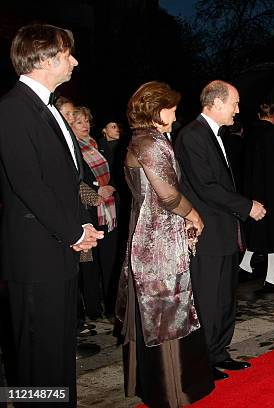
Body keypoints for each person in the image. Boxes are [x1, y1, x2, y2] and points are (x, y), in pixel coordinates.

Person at [0, 23, 103, 406]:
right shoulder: (12, 110)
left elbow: (64, 181)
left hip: (58, 249)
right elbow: (29, 185)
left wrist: (82, 226)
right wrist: (74, 232)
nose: (74, 61)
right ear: (43, 58)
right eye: (66, 54)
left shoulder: (49, 109)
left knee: (58, 355)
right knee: (36, 360)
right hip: (34, 256)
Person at [115, 81, 214, 407]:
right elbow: (169, 196)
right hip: (157, 238)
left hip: (147, 233)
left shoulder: (141, 140)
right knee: (167, 310)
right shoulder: (151, 143)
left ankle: (153, 384)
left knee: (160, 309)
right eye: (171, 107)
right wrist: (194, 214)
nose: (175, 112)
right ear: (158, 110)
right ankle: (173, 388)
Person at [175, 80, 266, 381]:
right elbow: (205, 186)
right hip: (207, 230)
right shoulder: (192, 136)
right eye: (235, 103)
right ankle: (202, 360)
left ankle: (218, 352)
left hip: (224, 230)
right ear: (215, 103)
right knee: (207, 299)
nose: (238, 110)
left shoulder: (215, 135)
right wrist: (246, 206)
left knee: (225, 297)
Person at [71, 106, 119, 321]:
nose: (85, 125)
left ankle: (111, 306)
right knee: (88, 262)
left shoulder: (96, 145)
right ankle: (92, 308)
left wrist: (111, 187)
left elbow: (114, 171)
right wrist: (96, 189)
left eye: (87, 121)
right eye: (79, 122)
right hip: (87, 212)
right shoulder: (71, 148)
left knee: (109, 259)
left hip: (108, 211)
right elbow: (74, 180)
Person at [239, 102, 274, 291]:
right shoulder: (272, 135)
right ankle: (271, 276)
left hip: (252, 192)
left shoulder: (250, 134)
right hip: (272, 193)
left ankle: (246, 264)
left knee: (258, 231)